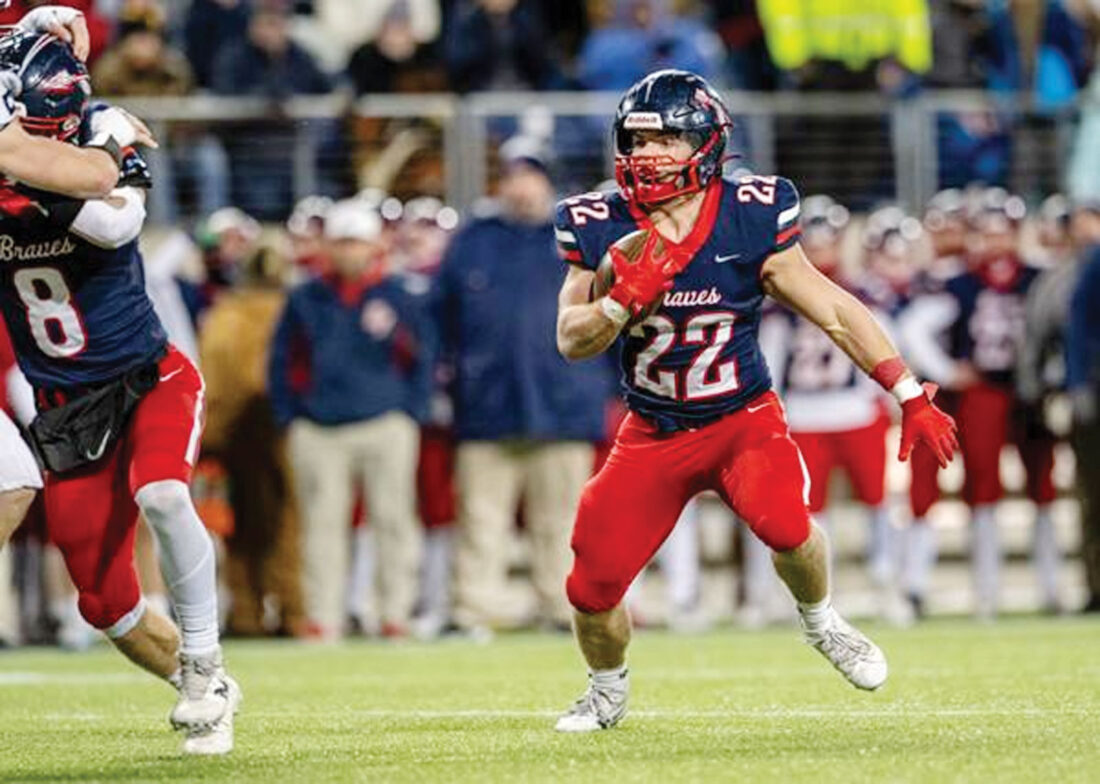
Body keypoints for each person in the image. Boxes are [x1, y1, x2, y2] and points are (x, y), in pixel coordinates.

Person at [552, 69, 956, 731]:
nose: (646, 155)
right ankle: (606, 689)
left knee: (787, 525)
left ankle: (822, 622)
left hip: (742, 418)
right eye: (637, 140)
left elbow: (833, 308)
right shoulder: (599, 222)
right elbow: (571, 338)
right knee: (590, 588)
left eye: (665, 140)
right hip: (653, 430)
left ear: (705, 144)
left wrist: (907, 391)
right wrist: (619, 303)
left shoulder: (751, 212)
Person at [0, 32, 240, 754]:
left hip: (147, 377)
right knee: (104, 605)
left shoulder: (103, 136)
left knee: (162, 494)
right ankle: (201, 684)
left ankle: (206, 665)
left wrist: (48, 177)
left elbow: (115, 222)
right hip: (66, 408)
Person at [434, 137, 614, 635]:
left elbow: (616, 312)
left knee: (562, 521)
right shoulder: (473, 240)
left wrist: (614, 388)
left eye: (530, 173)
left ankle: (561, 609)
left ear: (549, 180)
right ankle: (473, 611)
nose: (520, 185)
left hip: (565, 402)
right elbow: (440, 319)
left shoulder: (583, 236)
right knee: (480, 519)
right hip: (486, 405)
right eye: (512, 174)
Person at [268, 199, 434, 640]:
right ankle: (323, 617)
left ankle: (395, 613)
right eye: (342, 242)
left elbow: (424, 356)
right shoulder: (304, 297)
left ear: (374, 245)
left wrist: (411, 412)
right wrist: (291, 416)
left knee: (394, 521)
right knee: (321, 527)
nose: (349, 251)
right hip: (319, 427)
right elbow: (282, 361)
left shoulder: (400, 294)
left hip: (386, 422)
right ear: (329, 246)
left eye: (356, 242)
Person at [901, 189, 1057, 618]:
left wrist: (1053, 371)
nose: (996, 241)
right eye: (987, 232)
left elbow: (1056, 326)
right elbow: (913, 328)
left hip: (1029, 390)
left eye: (1003, 232)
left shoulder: (1040, 274)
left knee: (1042, 483)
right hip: (983, 389)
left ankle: (1051, 588)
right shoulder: (958, 280)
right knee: (983, 483)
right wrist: (949, 372)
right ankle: (987, 592)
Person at [760, 197, 907, 622]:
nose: (822, 251)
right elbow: (769, 361)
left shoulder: (860, 293)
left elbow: (881, 347)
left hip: (853, 411)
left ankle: (886, 585)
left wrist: (886, 397)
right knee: (808, 513)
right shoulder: (783, 297)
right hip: (806, 414)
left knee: (877, 502)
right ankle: (817, 596)